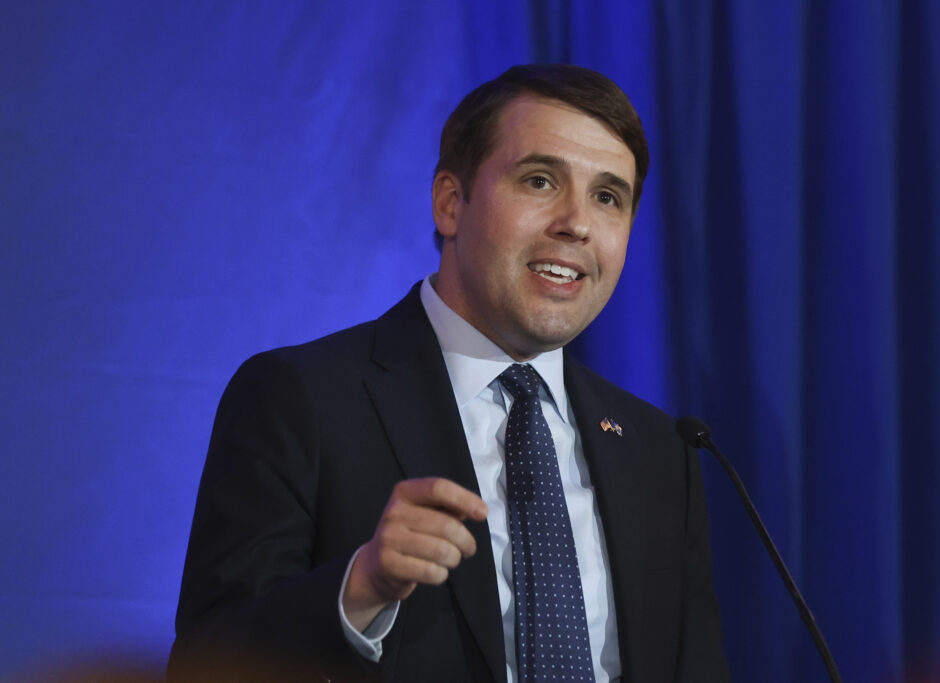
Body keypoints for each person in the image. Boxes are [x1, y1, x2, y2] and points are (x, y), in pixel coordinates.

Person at [169, 64, 729, 682]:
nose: (577, 223)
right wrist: (358, 590)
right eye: (540, 180)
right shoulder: (301, 400)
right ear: (449, 203)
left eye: (607, 197)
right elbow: (205, 665)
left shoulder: (660, 450)